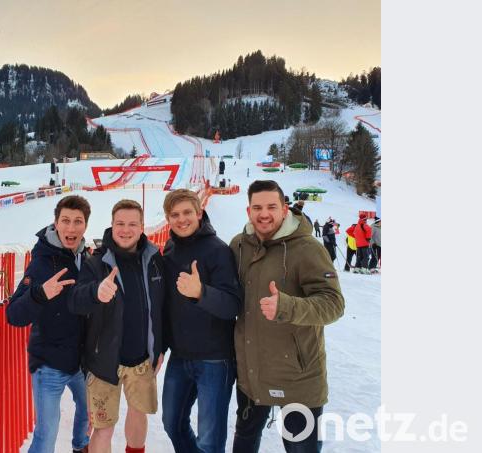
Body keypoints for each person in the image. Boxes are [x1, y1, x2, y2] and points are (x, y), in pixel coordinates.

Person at [230, 180, 345, 452]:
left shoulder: (308, 248)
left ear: (284, 209)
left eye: (271, 206)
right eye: (257, 207)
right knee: (244, 442)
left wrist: (287, 306)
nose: (264, 213)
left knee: (300, 447)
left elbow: (333, 304)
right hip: (252, 374)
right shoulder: (239, 246)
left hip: (298, 378)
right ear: (248, 211)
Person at [68, 200, 165, 453]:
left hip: (141, 359)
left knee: (138, 413)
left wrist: (160, 346)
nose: (126, 229)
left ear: (142, 227)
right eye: (120, 224)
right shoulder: (96, 262)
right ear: (112, 225)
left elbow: (161, 306)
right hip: (103, 362)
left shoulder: (154, 259)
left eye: (132, 224)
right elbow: (75, 300)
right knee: (104, 427)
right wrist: (95, 292)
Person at [6, 195, 92, 453]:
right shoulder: (42, 263)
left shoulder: (86, 260)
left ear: (85, 226)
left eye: (78, 221)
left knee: (88, 412)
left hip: (81, 362)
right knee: (46, 435)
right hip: (49, 364)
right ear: (55, 224)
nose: (71, 228)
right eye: (65, 220)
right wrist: (40, 294)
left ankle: (80, 447)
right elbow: (14, 315)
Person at [160, 189, 242, 453]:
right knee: (172, 423)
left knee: (210, 438)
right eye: (175, 215)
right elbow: (165, 306)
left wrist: (200, 293)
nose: (181, 220)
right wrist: (160, 348)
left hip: (215, 359)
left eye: (187, 213)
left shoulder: (218, 250)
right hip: (181, 356)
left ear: (199, 213)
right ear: (168, 219)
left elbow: (232, 305)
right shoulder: (170, 248)